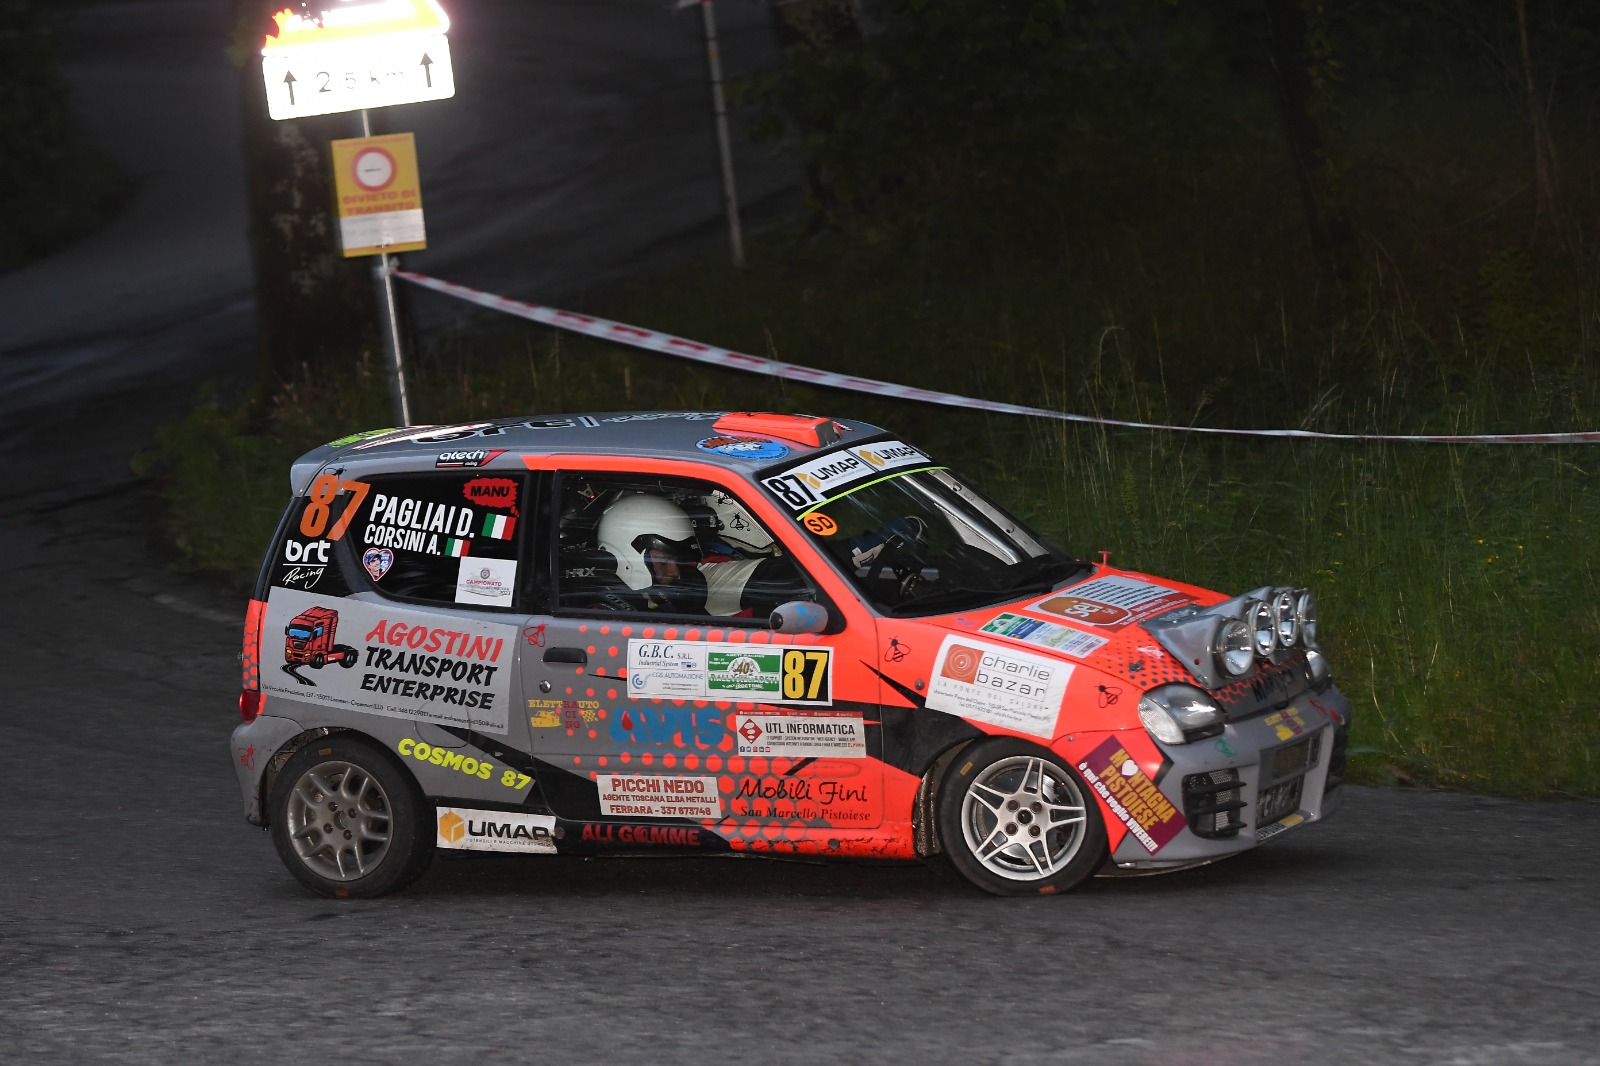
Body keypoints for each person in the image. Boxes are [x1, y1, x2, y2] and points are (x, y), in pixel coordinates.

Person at [594, 494, 708, 614]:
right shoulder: (603, 616)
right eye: (663, 562)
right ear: (624, 556)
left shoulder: (659, 605)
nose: (675, 572)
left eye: (678, 561)